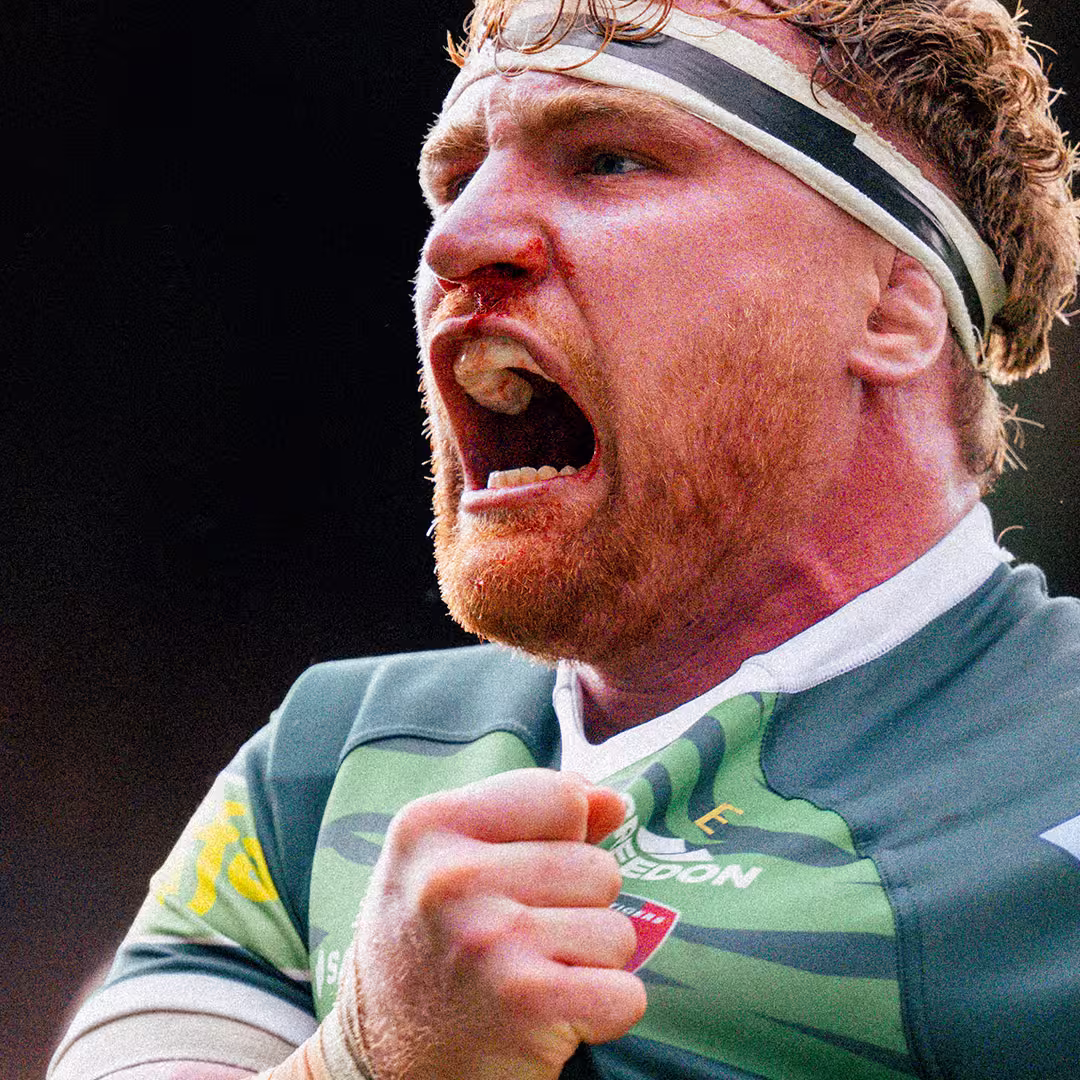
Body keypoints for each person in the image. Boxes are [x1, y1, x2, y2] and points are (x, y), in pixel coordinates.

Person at [50, 0, 1080, 1077]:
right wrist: (367, 1056)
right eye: (457, 179)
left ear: (893, 310)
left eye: (609, 160)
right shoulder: (332, 761)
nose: (456, 241)